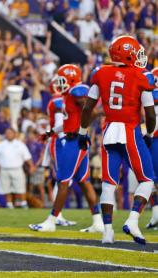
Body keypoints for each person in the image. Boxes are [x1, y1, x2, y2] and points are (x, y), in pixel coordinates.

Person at [78, 35, 156, 244]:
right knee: (147, 179)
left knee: (108, 184)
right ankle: (132, 220)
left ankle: (107, 233)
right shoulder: (142, 76)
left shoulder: (100, 72)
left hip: (109, 130)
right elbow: (150, 114)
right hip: (130, 130)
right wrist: (149, 134)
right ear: (128, 54)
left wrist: (83, 132)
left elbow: (87, 107)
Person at [29, 64, 103, 233]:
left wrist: (83, 129)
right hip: (75, 139)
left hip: (75, 142)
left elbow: (91, 110)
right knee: (84, 182)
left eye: (62, 79)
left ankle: (51, 221)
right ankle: (98, 222)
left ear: (70, 78)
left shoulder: (78, 91)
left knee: (63, 182)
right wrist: (50, 132)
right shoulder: (69, 95)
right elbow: (68, 122)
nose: (59, 83)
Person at [41, 77, 76, 226]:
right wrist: (63, 140)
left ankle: (58, 214)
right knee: (63, 179)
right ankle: (58, 215)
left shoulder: (58, 100)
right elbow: (60, 124)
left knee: (64, 179)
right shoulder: (58, 101)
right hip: (60, 140)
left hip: (58, 139)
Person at [0, 128, 35, 209]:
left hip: (17, 169)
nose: (9, 134)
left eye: (10, 133)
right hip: (4, 169)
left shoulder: (20, 145)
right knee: (6, 189)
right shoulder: (0, 145)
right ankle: (9, 204)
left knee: (20, 187)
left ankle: (24, 203)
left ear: (14, 134)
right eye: (7, 133)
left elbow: (27, 157)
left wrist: (31, 166)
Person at [146, 67, 158, 230]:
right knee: (150, 179)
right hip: (152, 138)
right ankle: (155, 214)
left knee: (150, 178)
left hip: (154, 139)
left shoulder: (152, 95)